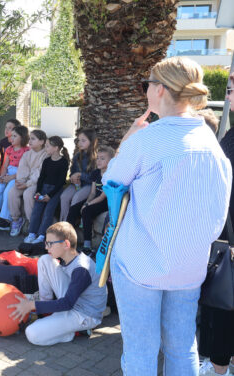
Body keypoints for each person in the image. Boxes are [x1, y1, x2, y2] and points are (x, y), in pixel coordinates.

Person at [104, 57, 231, 375]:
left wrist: (128, 139)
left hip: (141, 264)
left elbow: (112, 182)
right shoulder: (211, 143)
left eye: (147, 85)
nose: (146, 91)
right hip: (188, 266)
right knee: (182, 347)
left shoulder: (148, 140)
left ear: (159, 89)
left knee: (141, 353)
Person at [9, 221, 107, 346]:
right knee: (44, 260)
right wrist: (37, 305)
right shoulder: (70, 257)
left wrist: (31, 305)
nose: (46, 247)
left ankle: (76, 332)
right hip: (73, 302)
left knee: (32, 333)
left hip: (85, 314)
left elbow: (67, 304)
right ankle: (45, 304)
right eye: (46, 243)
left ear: (66, 244)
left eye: (50, 244)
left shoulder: (81, 269)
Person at [198, 73, 234, 376]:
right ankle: (220, 365)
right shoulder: (230, 136)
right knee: (222, 308)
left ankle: (220, 367)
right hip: (224, 241)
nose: (230, 91)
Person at [66, 145, 114, 254]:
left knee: (86, 211)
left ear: (111, 161)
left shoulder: (111, 174)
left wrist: (87, 205)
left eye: (103, 158)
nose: (99, 161)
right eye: (98, 158)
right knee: (74, 209)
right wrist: (87, 202)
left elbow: (102, 196)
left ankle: (87, 246)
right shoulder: (96, 173)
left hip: (105, 202)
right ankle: (67, 239)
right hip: (96, 198)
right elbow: (93, 192)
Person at [23, 136, 70, 244]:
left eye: (48, 146)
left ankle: (42, 235)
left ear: (56, 148)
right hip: (44, 188)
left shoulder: (63, 162)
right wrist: (38, 191)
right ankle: (32, 233)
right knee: (36, 210)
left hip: (55, 191)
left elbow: (61, 181)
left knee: (48, 212)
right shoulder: (46, 161)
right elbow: (41, 178)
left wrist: (50, 195)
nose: (45, 148)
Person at [7, 129, 48, 237]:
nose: (30, 141)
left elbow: (39, 173)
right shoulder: (27, 154)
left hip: (37, 183)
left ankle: (32, 223)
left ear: (42, 141)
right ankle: (16, 220)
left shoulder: (45, 155)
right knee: (12, 192)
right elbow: (22, 169)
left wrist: (28, 184)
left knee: (28, 194)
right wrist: (20, 181)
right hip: (25, 182)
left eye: (33, 139)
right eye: (30, 138)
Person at [59, 129, 98, 222]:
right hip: (77, 184)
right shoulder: (77, 156)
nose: (80, 143)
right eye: (79, 140)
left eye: (83, 140)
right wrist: (73, 178)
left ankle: (71, 222)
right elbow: (72, 171)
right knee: (64, 197)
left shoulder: (96, 158)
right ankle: (63, 222)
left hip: (89, 185)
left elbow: (94, 178)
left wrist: (80, 175)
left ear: (91, 141)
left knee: (76, 198)